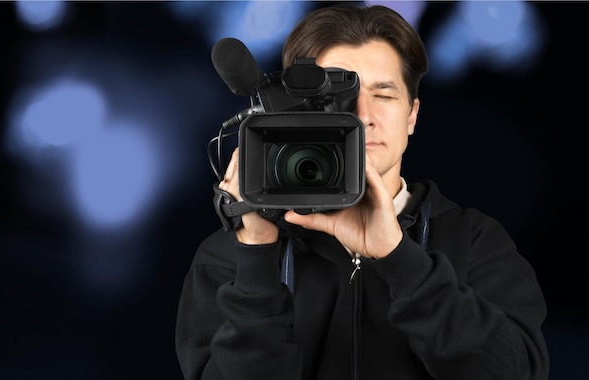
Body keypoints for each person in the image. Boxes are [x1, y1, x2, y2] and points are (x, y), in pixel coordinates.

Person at [175, 4, 549, 380]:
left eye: (384, 95)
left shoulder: (476, 242)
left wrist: (400, 259)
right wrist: (256, 257)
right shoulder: (226, 258)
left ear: (412, 115)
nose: (363, 114)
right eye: (336, 97)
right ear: (293, 111)